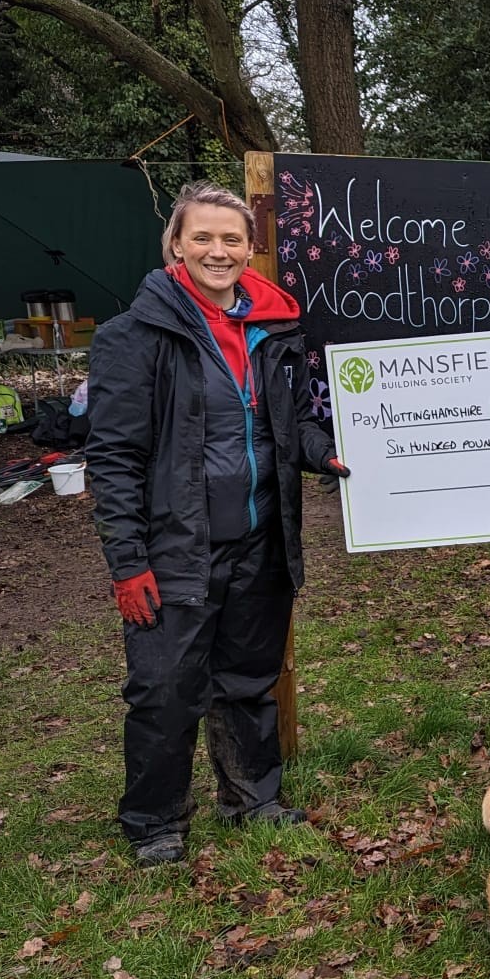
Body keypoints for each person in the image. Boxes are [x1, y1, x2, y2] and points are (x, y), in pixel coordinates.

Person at [86, 181, 348, 867]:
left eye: (231, 238)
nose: (217, 250)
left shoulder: (276, 329)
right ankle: (154, 820)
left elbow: (292, 424)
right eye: (202, 236)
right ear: (175, 244)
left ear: (250, 248)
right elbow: (112, 457)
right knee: (165, 691)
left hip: (262, 541)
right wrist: (127, 559)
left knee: (248, 679)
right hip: (176, 550)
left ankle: (253, 799)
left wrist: (324, 451)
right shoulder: (132, 338)